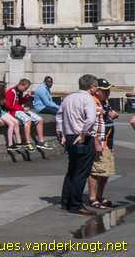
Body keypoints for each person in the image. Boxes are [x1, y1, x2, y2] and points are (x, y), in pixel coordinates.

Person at [55, 74, 100, 215]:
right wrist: (83, 133)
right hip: (83, 137)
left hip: (69, 136)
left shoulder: (68, 98)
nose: (96, 89)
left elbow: (59, 116)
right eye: (96, 86)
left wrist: (61, 133)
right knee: (81, 172)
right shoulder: (88, 99)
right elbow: (91, 118)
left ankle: (65, 201)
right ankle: (75, 204)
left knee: (72, 169)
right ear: (91, 87)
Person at [88, 78, 118, 209]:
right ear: (97, 90)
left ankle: (99, 195)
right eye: (105, 90)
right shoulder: (93, 101)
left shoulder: (105, 102)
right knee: (96, 171)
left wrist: (111, 114)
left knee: (105, 171)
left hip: (108, 141)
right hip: (100, 140)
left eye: (108, 90)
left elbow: (110, 113)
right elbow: (94, 120)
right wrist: (109, 114)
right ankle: (92, 197)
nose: (108, 92)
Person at [6, 79, 52, 151]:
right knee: (28, 120)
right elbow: (9, 106)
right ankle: (28, 143)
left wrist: (27, 97)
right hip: (14, 111)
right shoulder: (11, 91)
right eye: (25, 88)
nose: (25, 90)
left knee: (40, 119)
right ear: (21, 85)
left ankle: (41, 142)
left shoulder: (19, 91)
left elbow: (20, 101)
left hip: (20, 109)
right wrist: (22, 108)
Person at [0, 81, 22, 150]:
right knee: (11, 124)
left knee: (16, 122)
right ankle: (10, 144)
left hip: (2, 112)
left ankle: (19, 143)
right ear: (1, 87)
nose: (6, 88)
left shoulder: (2, 94)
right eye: (5, 87)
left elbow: (3, 106)